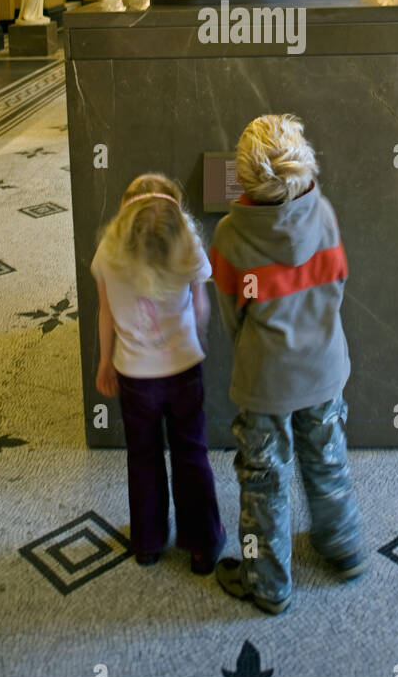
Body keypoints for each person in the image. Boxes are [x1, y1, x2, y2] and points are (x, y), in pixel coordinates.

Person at [209, 114, 366, 614]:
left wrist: (260, 351)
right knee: (328, 459)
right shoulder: (323, 215)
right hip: (323, 370)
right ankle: (343, 547)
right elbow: (337, 284)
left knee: (263, 481)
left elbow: (232, 318)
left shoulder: (230, 236)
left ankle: (267, 582)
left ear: (246, 177)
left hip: (264, 382)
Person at [92, 173, 225, 572]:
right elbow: (200, 308)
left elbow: (107, 314)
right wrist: (193, 341)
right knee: (191, 452)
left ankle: (147, 542)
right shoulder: (189, 247)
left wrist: (105, 361)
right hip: (184, 369)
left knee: (143, 455)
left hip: (134, 377)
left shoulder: (106, 254)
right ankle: (202, 544)